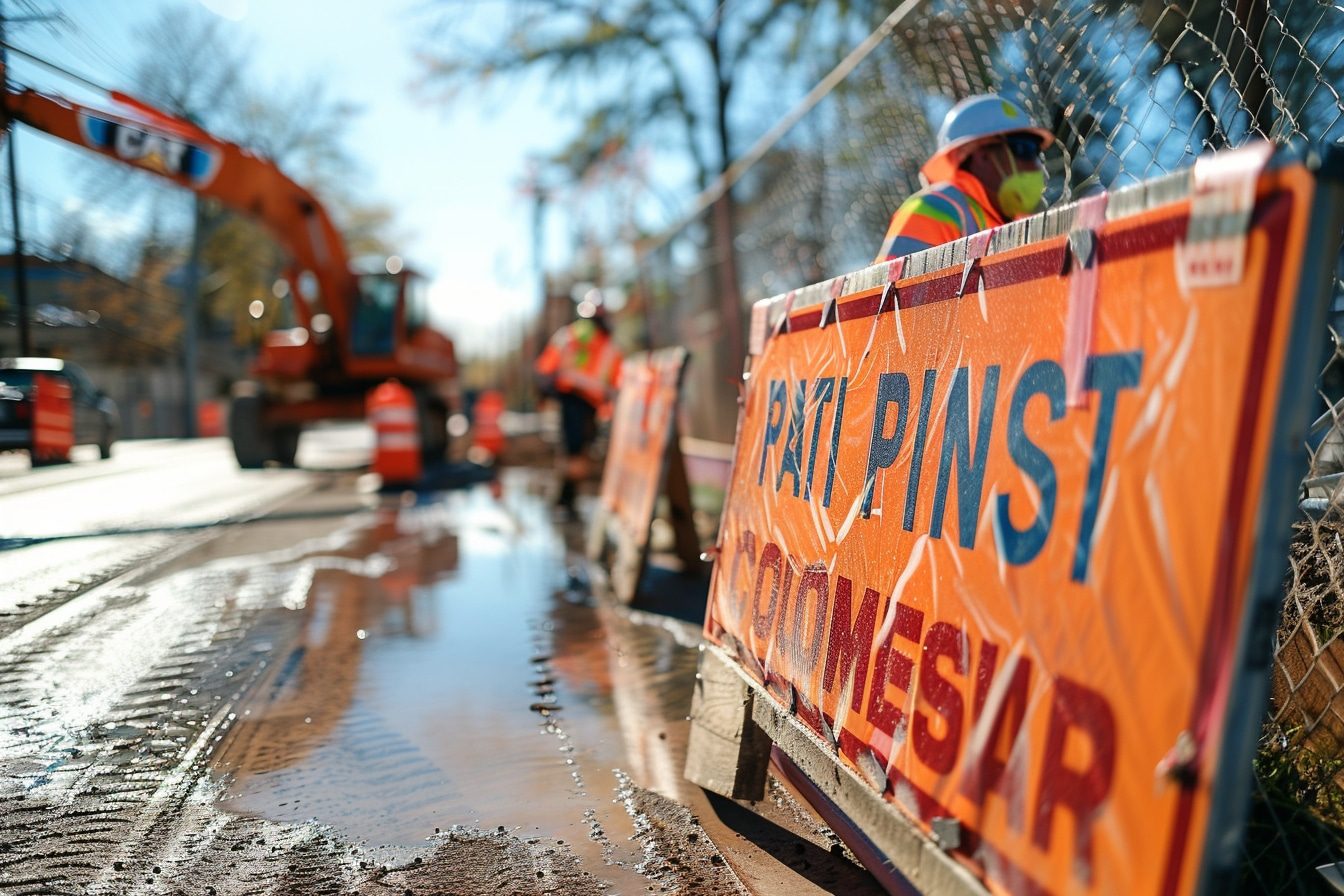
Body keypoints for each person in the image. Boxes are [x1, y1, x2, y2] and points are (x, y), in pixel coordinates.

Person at [876, 94, 1054, 261]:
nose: (1035, 165)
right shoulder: (934, 209)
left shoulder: (1020, 226)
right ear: (982, 156)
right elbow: (896, 293)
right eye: (1024, 149)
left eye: (1036, 152)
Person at [534, 297, 623, 516]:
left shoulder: (567, 336)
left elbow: (545, 368)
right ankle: (566, 500)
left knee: (572, 451)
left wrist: (545, 394)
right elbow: (615, 383)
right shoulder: (609, 345)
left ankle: (565, 499)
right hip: (585, 402)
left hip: (572, 399)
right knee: (577, 452)